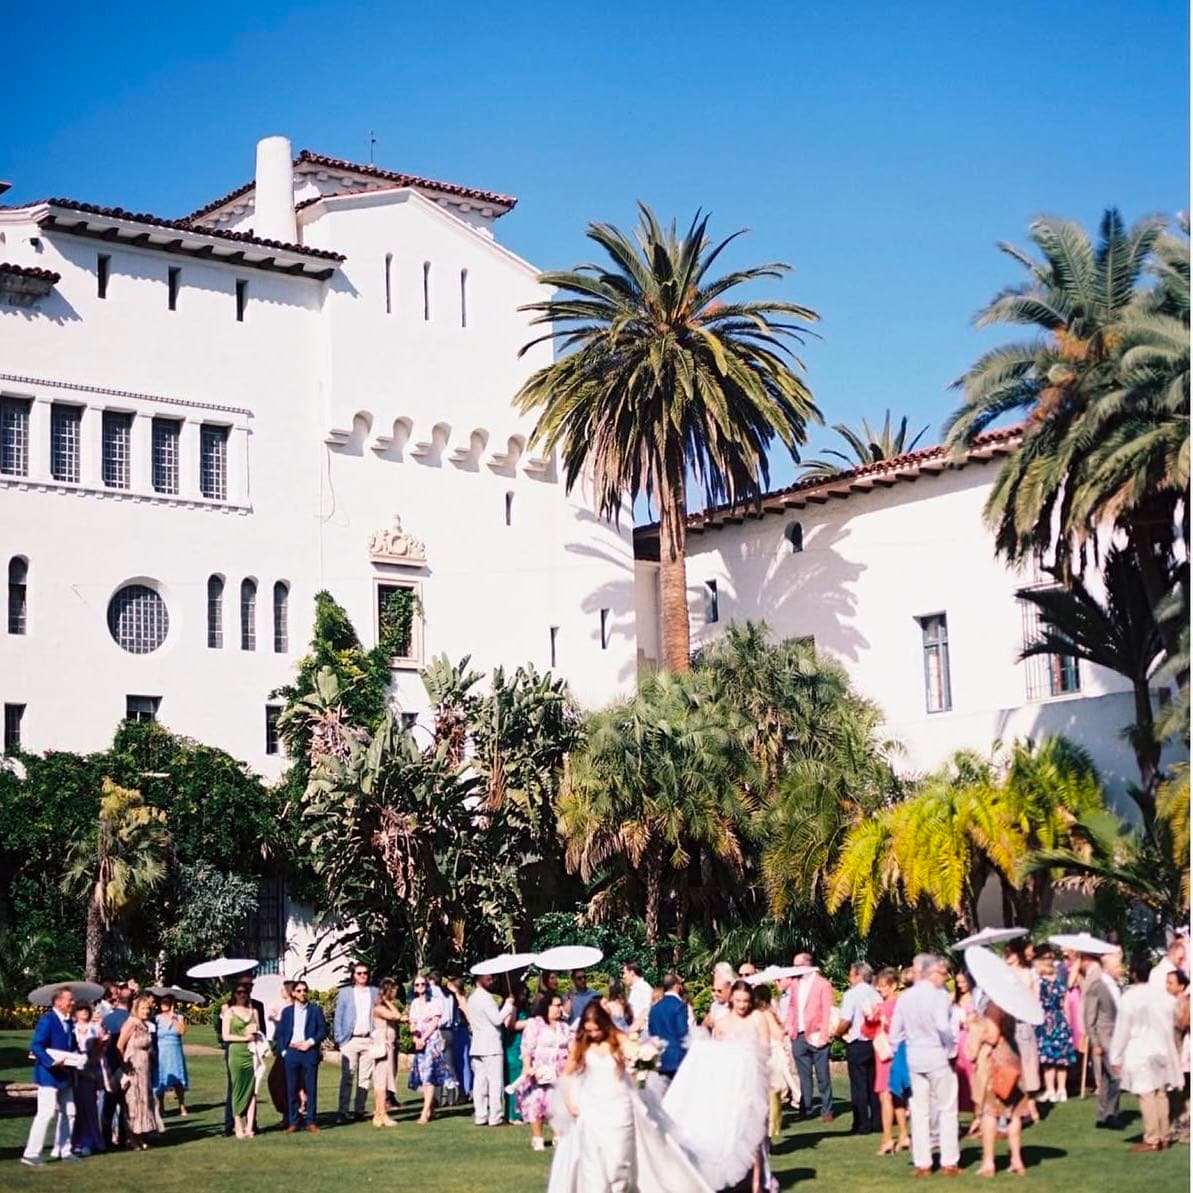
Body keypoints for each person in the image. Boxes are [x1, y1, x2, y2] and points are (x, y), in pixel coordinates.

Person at [550, 1001, 715, 1193]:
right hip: (592, 1109)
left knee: (619, 1161)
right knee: (593, 1163)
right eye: (589, 1031)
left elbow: (637, 1058)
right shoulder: (582, 1043)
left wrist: (644, 1060)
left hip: (619, 1106)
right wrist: (570, 1103)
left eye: (596, 1030)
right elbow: (567, 1074)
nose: (593, 1035)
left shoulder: (618, 1038)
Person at [663, 981, 771, 1193]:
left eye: (746, 1001)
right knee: (731, 1130)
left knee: (755, 1134)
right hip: (730, 1086)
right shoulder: (722, 1022)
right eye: (738, 1001)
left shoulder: (758, 1018)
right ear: (731, 999)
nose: (742, 1005)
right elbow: (714, 1057)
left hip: (753, 1081)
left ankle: (758, 1185)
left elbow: (765, 1048)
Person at [888, 953, 960, 1177]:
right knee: (947, 1108)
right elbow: (942, 1026)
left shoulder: (906, 997)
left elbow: (895, 1034)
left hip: (915, 1058)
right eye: (942, 973)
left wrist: (902, 1049)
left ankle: (923, 1163)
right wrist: (951, 1048)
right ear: (931, 972)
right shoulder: (939, 996)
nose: (945, 977)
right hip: (937, 1056)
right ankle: (949, 1161)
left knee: (919, 1111)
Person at [1109, 953, 1182, 1152]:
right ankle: (1164, 1135)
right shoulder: (1161, 996)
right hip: (1161, 1048)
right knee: (1160, 1093)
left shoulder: (1130, 997)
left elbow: (1123, 1028)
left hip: (1140, 1048)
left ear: (1133, 974)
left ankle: (1152, 1138)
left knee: (1147, 1094)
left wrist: (1115, 1055)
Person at [21, 987, 79, 1167]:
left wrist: (77, 1057)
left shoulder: (69, 1023)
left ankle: (65, 1150)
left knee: (70, 1112)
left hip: (65, 1075)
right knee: (45, 1114)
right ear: (58, 1002)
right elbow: (36, 1046)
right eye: (70, 999)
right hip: (48, 1076)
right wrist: (51, 1062)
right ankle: (31, 1154)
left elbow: (71, 1046)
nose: (73, 1002)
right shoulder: (47, 1021)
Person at [973, 1002, 1028, 1176]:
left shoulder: (994, 1007)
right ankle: (1016, 1160)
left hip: (997, 1062)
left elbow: (992, 1037)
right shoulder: (1012, 1006)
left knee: (990, 1113)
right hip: (1013, 1057)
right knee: (1014, 1113)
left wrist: (973, 1026)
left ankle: (989, 1162)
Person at [518, 991, 573, 1150]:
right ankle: (538, 1138)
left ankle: (558, 1136)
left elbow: (571, 1046)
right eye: (556, 1005)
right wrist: (527, 1067)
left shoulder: (564, 1026)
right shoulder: (535, 1024)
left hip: (560, 1070)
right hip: (540, 1070)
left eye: (560, 1005)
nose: (559, 1008)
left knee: (558, 1103)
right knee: (537, 1102)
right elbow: (527, 1047)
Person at [274, 978, 328, 1133]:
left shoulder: (315, 1010)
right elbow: (282, 1033)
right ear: (293, 993)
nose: (302, 993)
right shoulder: (288, 1012)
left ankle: (311, 1121)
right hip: (292, 1053)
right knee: (291, 1088)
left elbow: (322, 1031)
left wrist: (310, 1042)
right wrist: (284, 1051)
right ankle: (293, 1122)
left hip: (309, 1052)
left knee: (311, 1088)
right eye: (299, 991)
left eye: (304, 990)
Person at [786, 953, 834, 1121]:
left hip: (816, 1035)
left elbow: (827, 1011)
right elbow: (792, 1007)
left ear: (807, 965)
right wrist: (790, 1027)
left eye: (797, 965)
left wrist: (824, 1035)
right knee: (803, 1076)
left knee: (823, 1076)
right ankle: (805, 1108)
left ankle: (827, 1109)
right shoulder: (794, 984)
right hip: (798, 1036)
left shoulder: (823, 984)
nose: (794, 969)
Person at [836, 961, 882, 1135]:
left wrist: (837, 1033)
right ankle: (877, 1121)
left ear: (857, 975)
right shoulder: (876, 994)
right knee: (873, 1084)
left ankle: (862, 1124)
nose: (849, 977)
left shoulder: (851, 995)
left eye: (850, 973)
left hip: (858, 1042)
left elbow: (846, 1020)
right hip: (874, 1042)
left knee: (858, 1085)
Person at [1082, 947, 1123, 1129]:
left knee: (1107, 1078)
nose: (1121, 969)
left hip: (1117, 1036)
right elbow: (1089, 1017)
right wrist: (1095, 1041)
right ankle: (1111, 1114)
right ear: (1108, 968)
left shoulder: (1117, 986)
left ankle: (1103, 1114)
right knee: (1117, 1076)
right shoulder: (1097, 986)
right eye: (1118, 966)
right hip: (1105, 1037)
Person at [468, 971, 515, 1126]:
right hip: (490, 1045)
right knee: (494, 1082)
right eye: (487, 977)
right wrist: (508, 1005)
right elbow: (497, 1019)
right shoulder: (485, 998)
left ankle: (481, 1115)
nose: (491, 980)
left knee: (479, 1083)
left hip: (478, 1045)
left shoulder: (472, 998)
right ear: (479, 978)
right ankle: (495, 1116)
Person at [334, 961, 379, 1122]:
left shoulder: (374, 992)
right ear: (353, 975)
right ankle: (343, 1111)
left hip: (368, 1039)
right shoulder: (346, 992)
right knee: (347, 1076)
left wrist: (377, 1036)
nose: (362, 976)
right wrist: (340, 1040)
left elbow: (379, 1014)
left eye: (365, 973)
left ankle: (359, 1110)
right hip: (350, 1039)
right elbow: (338, 1017)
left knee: (365, 1078)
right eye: (359, 973)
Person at [873, 967, 910, 1156]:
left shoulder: (896, 1005)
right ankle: (903, 1135)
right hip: (883, 1053)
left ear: (894, 986)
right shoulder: (882, 1006)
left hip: (891, 1053)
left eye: (883, 986)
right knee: (894, 1095)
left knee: (886, 1095)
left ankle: (888, 1138)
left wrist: (881, 1022)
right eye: (878, 986)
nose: (880, 990)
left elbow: (899, 1029)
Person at [117, 994, 158, 1150]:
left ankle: (141, 1136)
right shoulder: (131, 1023)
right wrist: (125, 1065)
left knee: (143, 1102)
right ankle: (131, 1139)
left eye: (148, 1008)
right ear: (136, 1009)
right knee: (133, 1102)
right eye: (143, 1008)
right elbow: (120, 1045)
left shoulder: (145, 1025)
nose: (146, 1011)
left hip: (145, 1068)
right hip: (133, 1066)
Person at [1034, 949, 1075, 1103]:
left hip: (1046, 1020)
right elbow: (1066, 1004)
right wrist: (1068, 1022)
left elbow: (1037, 1001)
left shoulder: (1040, 982)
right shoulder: (1059, 981)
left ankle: (1051, 1089)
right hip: (1060, 1019)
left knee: (1048, 1058)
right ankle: (1062, 1090)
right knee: (1061, 1058)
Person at [409, 972, 451, 1124]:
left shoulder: (434, 1002)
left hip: (432, 1041)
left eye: (423, 984)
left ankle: (425, 1111)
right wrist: (415, 1037)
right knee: (423, 1075)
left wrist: (424, 1038)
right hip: (420, 1042)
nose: (420, 987)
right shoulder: (414, 1004)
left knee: (429, 1076)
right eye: (417, 984)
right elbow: (412, 1022)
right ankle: (430, 1106)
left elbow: (434, 1022)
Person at [221, 984, 261, 1139]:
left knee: (252, 1089)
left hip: (251, 1052)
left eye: (245, 992)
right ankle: (237, 1123)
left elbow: (258, 1030)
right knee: (237, 1088)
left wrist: (254, 1035)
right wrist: (244, 1037)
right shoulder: (229, 1012)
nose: (242, 995)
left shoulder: (254, 1011)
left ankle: (250, 1126)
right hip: (236, 1052)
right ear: (234, 994)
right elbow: (226, 1036)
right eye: (239, 992)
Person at [71, 1003, 107, 1157]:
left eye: (86, 1010)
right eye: (80, 1010)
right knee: (76, 1108)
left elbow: (101, 1049)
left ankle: (90, 1141)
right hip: (74, 1069)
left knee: (89, 1106)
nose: (84, 1012)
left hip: (91, 1069)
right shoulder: (72, 1028)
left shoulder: (95, 1028)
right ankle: (75, 1142)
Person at [369, 977, 402, 1126]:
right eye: (393, 991)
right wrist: (388, 1001)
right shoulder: (379, 1008)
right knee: (381, 1082)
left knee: (385, 1080)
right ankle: (382, 1113)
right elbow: (396, 1016)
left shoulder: (384, 1007)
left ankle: (378, 1113)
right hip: (382, 1047)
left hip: (389, 1046)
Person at [100, 984, 130, 1150]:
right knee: (125, 1104)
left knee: (108, 1105)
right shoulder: (130, 1020)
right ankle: (123, 1137)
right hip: (124, 1065)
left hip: (109, 1065)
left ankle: (105, 1138)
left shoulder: (107, 1019)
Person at [648, 973, 690, 1086]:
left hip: (660, 1058)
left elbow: (651, 1032)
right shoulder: (679, 1006)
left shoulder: (654, 1008)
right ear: (676, 986)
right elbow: (683, 1032)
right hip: (677, 1058)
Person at [153, 994, 189, 1119]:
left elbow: (182, 1031)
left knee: (178, 1078)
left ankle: (182, 1105)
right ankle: (161, 1106)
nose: (164, 1004)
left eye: (167, 1002)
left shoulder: (179, 1017)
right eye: (162, 1002)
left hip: (175, 1050)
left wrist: (173, 1018)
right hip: (161, 1050)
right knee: (161, 1078)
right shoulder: (156, 1018)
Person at [504, 982, 531, 1123]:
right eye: (522, 994)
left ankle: (523, 1111)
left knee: (523, 1080)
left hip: (523, 1045)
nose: (524, 997)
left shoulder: (525, 1007)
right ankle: (513, 1115)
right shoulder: (512, 1007)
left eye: (526, 994)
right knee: (514, 1080)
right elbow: (509, 1024)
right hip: (513, 1046)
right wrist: (527, 1023)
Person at [951, 969, 977, 1118]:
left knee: (971, 1073)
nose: (960, 985)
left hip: (969, 1037)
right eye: (958, 982)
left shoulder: (974, 998)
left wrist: (968, 1020)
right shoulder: (954, 998)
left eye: (963, 982)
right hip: (957, 1039)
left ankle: (976, 1111)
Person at [703, 962, 735, 1030]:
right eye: (713, 990)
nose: (715, 993)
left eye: (719, 991)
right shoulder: (714, 1005)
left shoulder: (735, 1004)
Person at [623, 962, 653, 1035]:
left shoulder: (644, 988)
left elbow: (649, 1009)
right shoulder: (635, 989)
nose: (623, 976)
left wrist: (639, 1026)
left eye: (625, 973)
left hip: (644, 1032)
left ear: (632, 973)